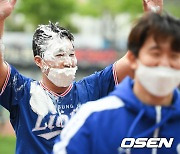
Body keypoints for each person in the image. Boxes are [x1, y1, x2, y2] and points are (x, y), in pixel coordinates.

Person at [0, 0, 163, 154]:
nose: (68, 61)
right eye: (59, 54)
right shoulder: (22, 91)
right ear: (39, 61)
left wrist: (152, 16)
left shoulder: (94, 88)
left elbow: (135, 58)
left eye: (71, 53)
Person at [53, 13, 180, 154]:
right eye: (155, 54)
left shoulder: (93, 87)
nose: (164, 64)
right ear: (132, 58)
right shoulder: (93, 119)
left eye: (174, 56)